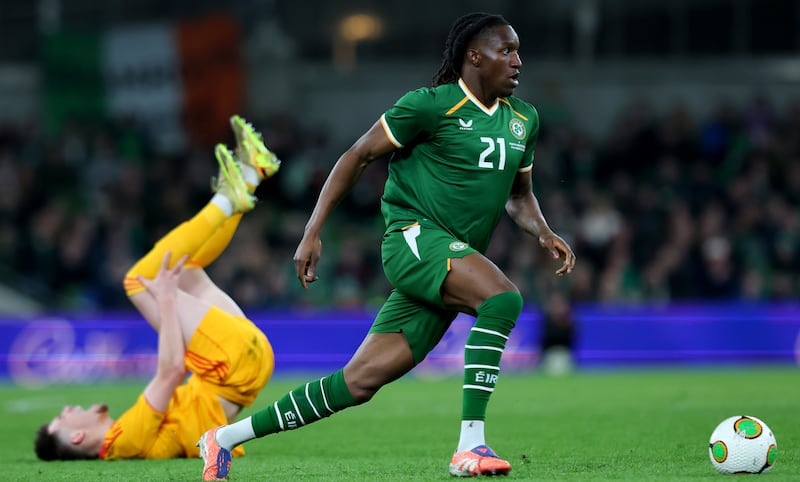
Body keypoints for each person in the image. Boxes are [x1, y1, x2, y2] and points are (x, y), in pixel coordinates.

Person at [197, 12, 576, 479]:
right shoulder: (429, 106)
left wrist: (543, 231)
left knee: (357, 383)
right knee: (503, 299)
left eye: (519, 51)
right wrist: (313, 231)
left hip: (448, 260)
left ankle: (222, 438)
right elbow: (355, 156)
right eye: (507, 51)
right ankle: (470, 446)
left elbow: (519, 196)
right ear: (474, 57)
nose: (518, 61)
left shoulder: (524, 119)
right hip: (414, 242)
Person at [34, 116, 281, 461]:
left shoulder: (128, 437)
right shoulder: (120, 443)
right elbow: (170, 371)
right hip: (230, 366)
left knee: (185, 269)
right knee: (140, 281)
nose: (68, 407)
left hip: (238, 368)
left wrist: (169, 296)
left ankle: (250, 177)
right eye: (62, 418)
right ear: (76, 436)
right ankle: (226, 200)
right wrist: (165, 301)